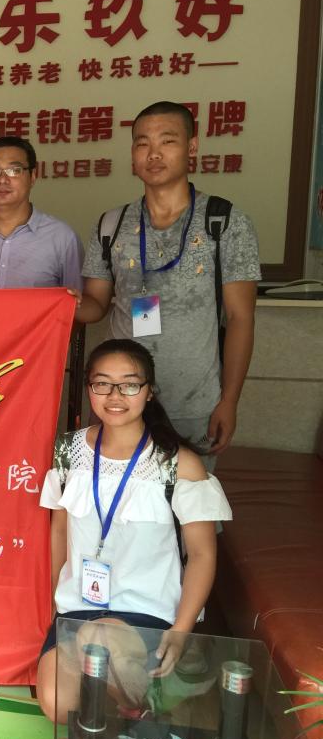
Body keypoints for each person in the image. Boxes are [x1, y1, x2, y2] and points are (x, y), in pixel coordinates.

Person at [35, 338, 231, 722]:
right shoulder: (68, 451)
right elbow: (59, 532)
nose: (115, 395)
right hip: (78, 607)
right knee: (58, 705)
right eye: (102, 383)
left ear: (149, 391)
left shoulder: (179, 464)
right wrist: (55, 602)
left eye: (129, 384)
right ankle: (139, 705)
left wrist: (181, 631)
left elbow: (203, 554)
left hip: (147, 612)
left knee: (100, 642)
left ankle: (144, 699)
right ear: (89, 387)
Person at [77, 101, 260, 468]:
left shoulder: (224, 222)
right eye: (142, 143)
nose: (154, 153)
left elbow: (241, 318)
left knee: (188, 500)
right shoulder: (112, 224)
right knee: (118, 498)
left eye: (167, 141)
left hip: (194, 403)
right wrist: (49, 304)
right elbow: (95, 304)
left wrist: (229, 401)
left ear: (192, 147)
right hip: (120, 401)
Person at [0, 136, 81, 290]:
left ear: (32, 177)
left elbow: (76, 301)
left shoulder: (62, 238)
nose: (2, 180)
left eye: (14, 170)